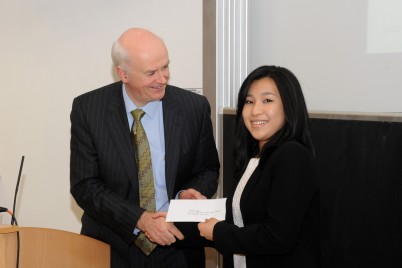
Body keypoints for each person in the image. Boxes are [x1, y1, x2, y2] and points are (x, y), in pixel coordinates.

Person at [70, 28, 220, 268]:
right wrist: (141, 220)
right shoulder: (89, 109)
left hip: (178, 246)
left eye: (165, 67)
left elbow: (208, 169)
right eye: (151, 72)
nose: (162, 79)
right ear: (123, 74)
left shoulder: (193, 107)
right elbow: (85, 185)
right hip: (112, 246)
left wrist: (187, 193)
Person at [198, 65, 320, 267]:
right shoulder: (253, 157)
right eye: (249, 101)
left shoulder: (292, 155)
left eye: (267, 100)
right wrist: (177, 217)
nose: (255, 110)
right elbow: (239, 221)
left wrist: (218, 232)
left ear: (289, 106)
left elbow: (277, 237)